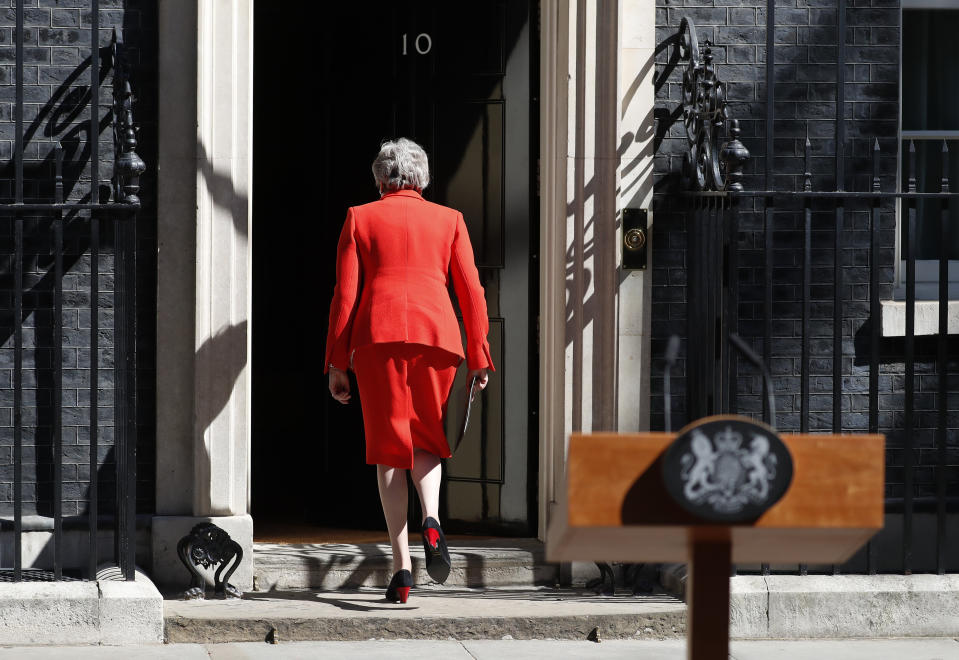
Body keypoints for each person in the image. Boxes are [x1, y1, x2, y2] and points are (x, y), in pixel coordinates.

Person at [324, 138, 493, 604]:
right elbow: (472, 292)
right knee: (426, 437)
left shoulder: (360, 217)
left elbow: (345, 296)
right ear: (423, 179)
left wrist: (337, 362)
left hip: (377, 338)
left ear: (381, 179)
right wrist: (479, 355)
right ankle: (433, 520)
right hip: (437, 336)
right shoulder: (450, 220)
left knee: (389, 448)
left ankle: (401, 569)